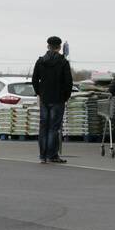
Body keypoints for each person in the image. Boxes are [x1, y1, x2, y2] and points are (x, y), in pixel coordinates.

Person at [31, 35, 73, 164]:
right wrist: (65, 96)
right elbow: (68, 82)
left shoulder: (40, 61)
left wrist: (39, 92)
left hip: (44, 98)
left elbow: (34, 79)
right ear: (59, 47)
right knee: (54, 128)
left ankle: (42, 155)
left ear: (48, 46)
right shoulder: (63, 62)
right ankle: (52, 155)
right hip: (58, 99)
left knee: (43, 127)